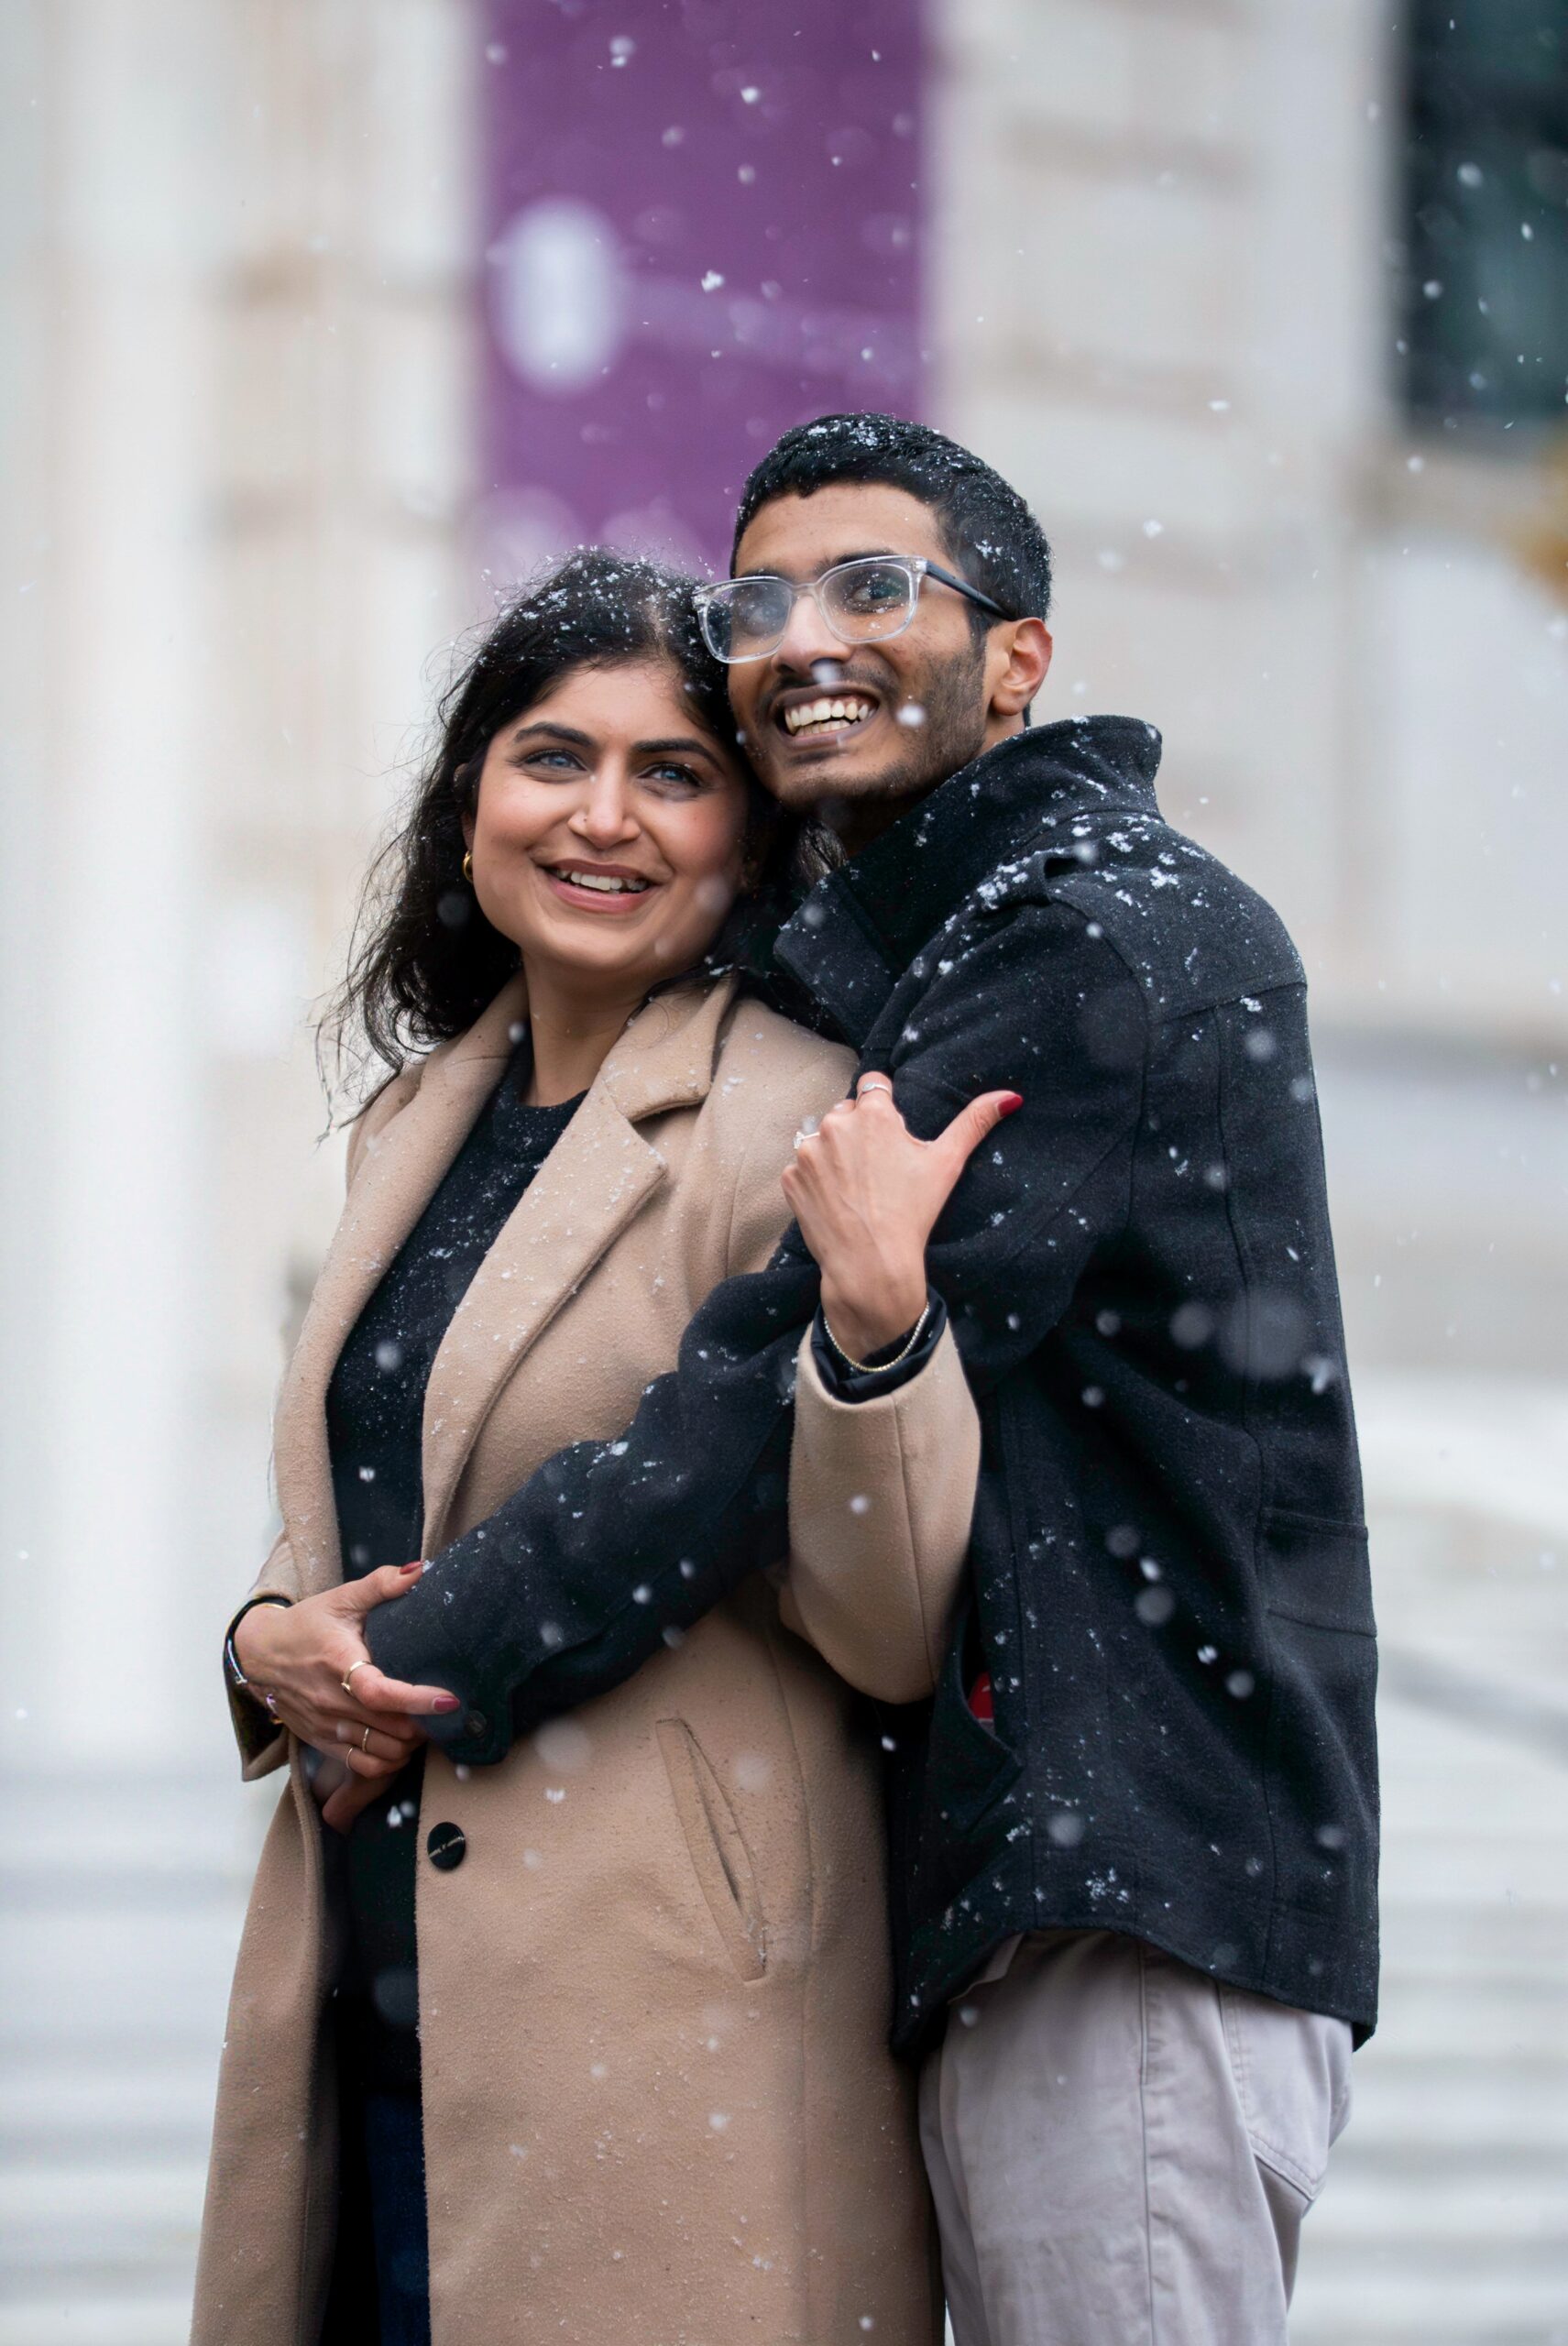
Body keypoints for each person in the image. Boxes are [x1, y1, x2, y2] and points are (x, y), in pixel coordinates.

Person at [355, 419, 1379, 2346]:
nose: (803, 634)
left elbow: (743, 1414)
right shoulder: (939, 937)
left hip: (1126, 1900)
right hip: (1038, 1886)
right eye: (764, 596)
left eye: (872, 585)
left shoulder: (1090, 928)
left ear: (1018, 657)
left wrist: (425, 1647)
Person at [192, 548, 1013, 2346]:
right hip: (373, 1982)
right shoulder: (414, 1117)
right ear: (471, 797)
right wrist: (263, 1642)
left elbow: (884, 1619)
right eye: (553, 755)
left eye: (674, 772)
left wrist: (878, 1341)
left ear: (745, 834)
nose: (605, 816)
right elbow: (354, 1501)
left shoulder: (799, 1111)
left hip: (658, 2016)